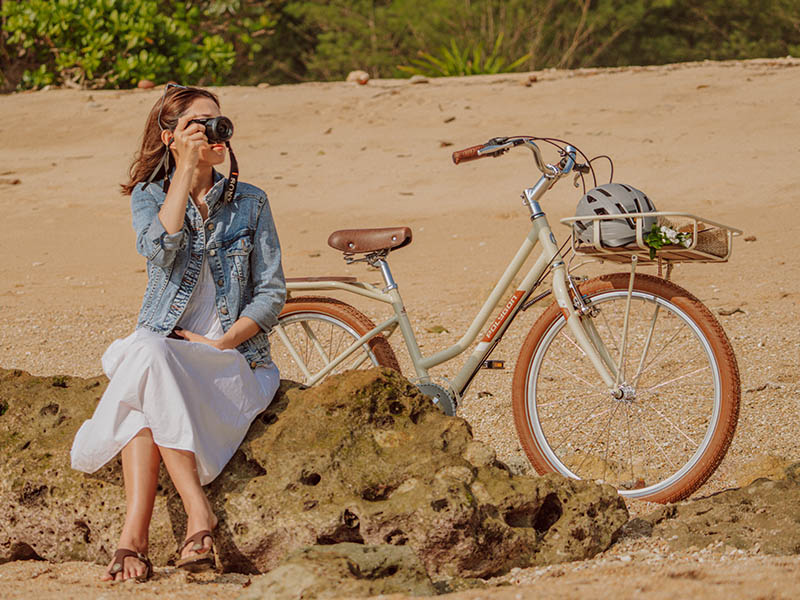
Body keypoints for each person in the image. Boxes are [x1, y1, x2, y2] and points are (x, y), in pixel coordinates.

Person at [70, 84, 286, 582]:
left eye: (217, 121)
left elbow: (272, 292)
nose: (214, 131)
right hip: (166, 348)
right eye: (198, 124)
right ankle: (196, 514)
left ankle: (134, 539)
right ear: (170, 137)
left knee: (143, 365)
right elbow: (160, 249)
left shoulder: (250, 202)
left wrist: (225, 341)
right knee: (150, 356)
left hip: (231, 360)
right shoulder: (150, 196)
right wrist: (186, 171)